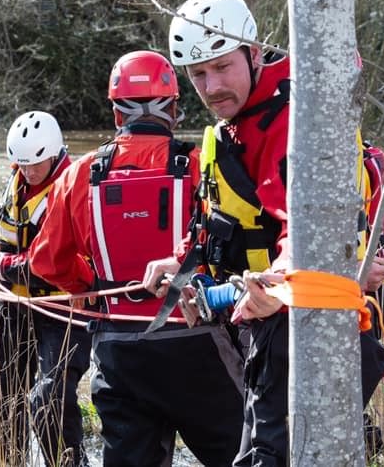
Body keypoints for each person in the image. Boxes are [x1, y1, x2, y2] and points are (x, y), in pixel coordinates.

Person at [143, 0, 384, 466]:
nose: (211, 85)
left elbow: (306, 235)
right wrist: (182, 264)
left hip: (303, 324)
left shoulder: (292, 123)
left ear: (254, 54)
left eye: (222, 67)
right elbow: (222, 219)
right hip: (267, 323)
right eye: (198, 74)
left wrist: (275, 284)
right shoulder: (232, 127)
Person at [30, 51, 245, 467]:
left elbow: (46, 262)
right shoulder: (203, 164)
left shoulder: (79, 173)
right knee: (247, 456)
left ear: (116, 113)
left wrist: (85, 288)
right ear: (175, 107)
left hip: (118, 350)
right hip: (197, 340)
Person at [0, 111, 92, 467]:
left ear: (55, 153)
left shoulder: (75, 188)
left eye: (35, 164)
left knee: (49, 399)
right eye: (21, 164)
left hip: (62, 311)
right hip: (14, 306)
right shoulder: (18, 180)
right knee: (5, 394)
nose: (28, 172)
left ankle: (70, 463)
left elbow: (45, 266)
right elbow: (10, 233)